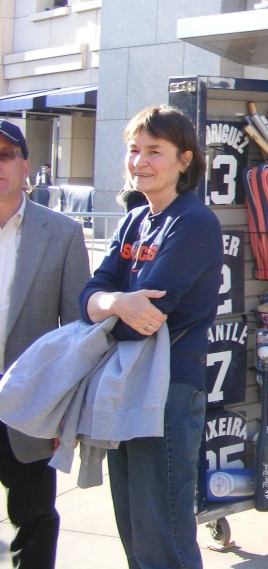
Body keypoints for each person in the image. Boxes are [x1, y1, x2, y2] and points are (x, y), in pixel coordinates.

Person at [80, 105, 222, 569]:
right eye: (134, 149)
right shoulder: (135, 219)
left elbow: (144, 319)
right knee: (134, 528)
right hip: (125, 384)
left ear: (185, 160)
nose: (139, 160)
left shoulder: (194, 222)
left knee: (163, 534)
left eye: (154, 151)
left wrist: (110, 307)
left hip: (168, 391)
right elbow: (91, 294)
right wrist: (117, 302)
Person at [0, 120, 90, 568]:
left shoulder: (63, 233)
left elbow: (78, 334)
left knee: (34, 520)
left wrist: (65, 414)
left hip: (32, 409)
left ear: (25, 165)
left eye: (4, 154)